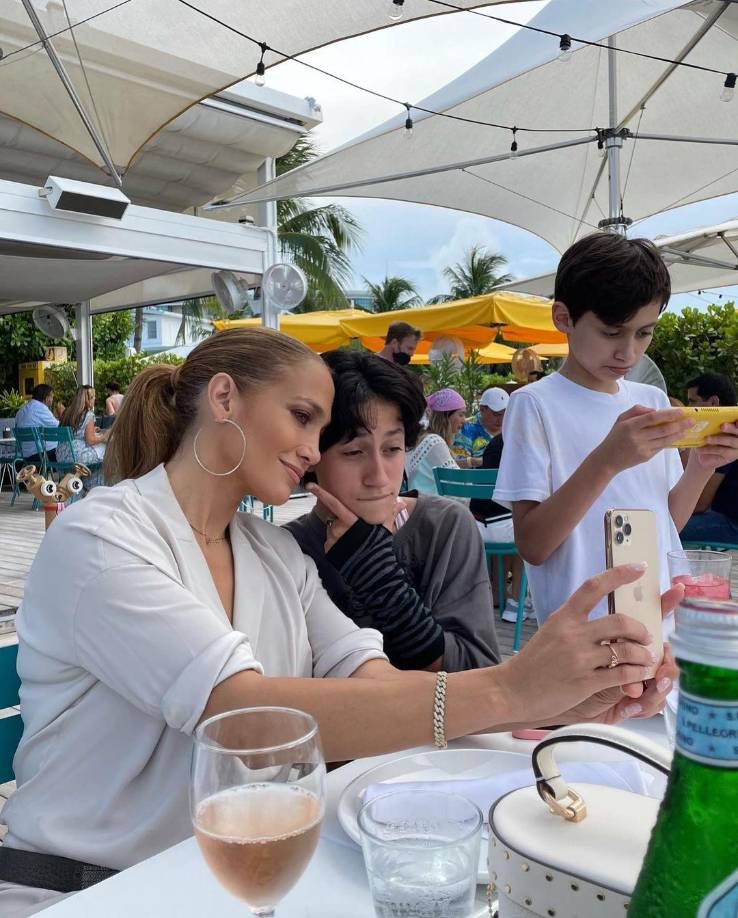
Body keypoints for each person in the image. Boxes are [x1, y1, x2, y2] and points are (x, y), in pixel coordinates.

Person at [0, 327, 678, 916]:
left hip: (229, 882)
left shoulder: (271, 553)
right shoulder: (103, 536)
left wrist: (569, 694)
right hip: (87, 892)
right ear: (225, 399)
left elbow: (375, 679)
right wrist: (510, 690)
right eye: (303, 418)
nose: (311, 447)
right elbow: (242, 716)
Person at [494, 232, 738, 625]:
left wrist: (702, 466)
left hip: (657, 625)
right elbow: (533, 545)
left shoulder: (652, 401)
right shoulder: (535, 404)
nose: (629, 351)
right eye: (612, 332)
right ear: (564, 318)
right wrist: (606, 461)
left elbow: (666, 524)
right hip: (579, 641)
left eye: (645, 332)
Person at [286, 358, 498, 672]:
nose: (380, 477)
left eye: (392, 449)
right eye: (354, 452)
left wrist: (378, 573)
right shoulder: (288, 548)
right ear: (312, 454)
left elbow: (475, 672)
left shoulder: (445, 526)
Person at [468, 425, 526, 623]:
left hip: (477, 527)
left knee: (506, 525)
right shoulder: (524, 444)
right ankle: (517, 601)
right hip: (502, 527)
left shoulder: (495, 442)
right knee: (528, 528)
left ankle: (498, 592)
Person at [681, 372, 738, 544]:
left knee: (660, 528)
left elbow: (700, 504)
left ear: (713, 402)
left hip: (731, 524)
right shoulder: (731, 425)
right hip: (727, 517)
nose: (688, 408)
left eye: (692, 402)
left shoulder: (723, 434)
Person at [405, 387, 466, 494]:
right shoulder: (434, 442)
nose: (464, 420)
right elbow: (458, 484)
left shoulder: (424, 436)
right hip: (429, 507)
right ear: (446, 416)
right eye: (461, 414)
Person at [57, 385, 109, 489]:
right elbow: (90, 440)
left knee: (101, 451)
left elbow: (76, 432)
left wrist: (91, 430)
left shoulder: (67, 412)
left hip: (61, 455)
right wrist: (105, 436)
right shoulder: (88, 414)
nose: (95, 399)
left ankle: (86, 484)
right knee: (106, 450)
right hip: (77, 457)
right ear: (87, 400)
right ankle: (96, 486)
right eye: (93, 397)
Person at [452, 387, 509, 467]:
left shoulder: (512, 428)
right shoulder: (466, 428)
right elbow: (458, 465)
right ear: (482, 409)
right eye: (496, 414)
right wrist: (484, 461)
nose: (502, 419)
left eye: (506, 414)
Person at [13, 385, 58, 463]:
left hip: (25, 456)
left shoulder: (21, 409)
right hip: (41, 456)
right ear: (47, 398)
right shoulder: (41, 408)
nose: (52, 400)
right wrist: (63, 414)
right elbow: (59, 427)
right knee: (68, 452)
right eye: (52, 397)